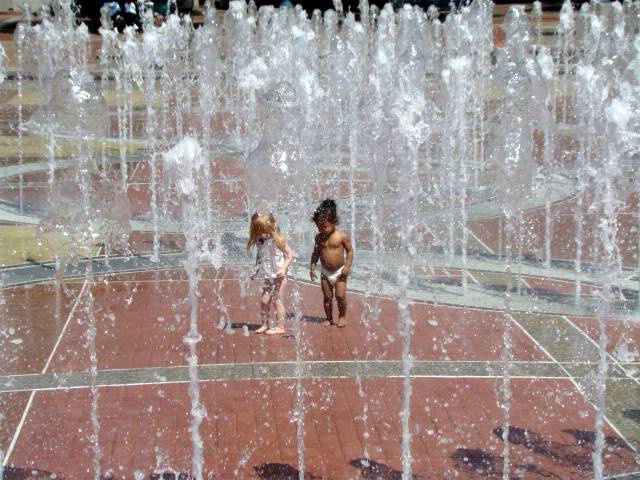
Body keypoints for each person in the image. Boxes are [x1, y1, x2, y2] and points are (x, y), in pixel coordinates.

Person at [310, 199, 354, 328]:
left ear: (334, 222)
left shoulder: (341, 236)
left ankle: (342, 316)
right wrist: (312, 268)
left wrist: (347, 267)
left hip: (340, 272)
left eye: (324, 226)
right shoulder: (319, 237)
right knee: (327, 297)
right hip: (325, 272)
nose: (321, 229)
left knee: (340, 296)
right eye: (318, 227)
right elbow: (315, 253)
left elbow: (350, 251)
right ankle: (329, 318)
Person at [248, 213, 294, 335]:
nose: (263, 234)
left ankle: (281, 326)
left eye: (265, 231)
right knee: (264, 301)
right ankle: (264, 324)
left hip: (280, 276)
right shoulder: (259, 241)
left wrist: (283, 268)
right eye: (260, 232)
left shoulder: (277, 239)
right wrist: (256, 270)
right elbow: (259, 256)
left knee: (276, 299)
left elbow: (290, 255)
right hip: (268, 276)